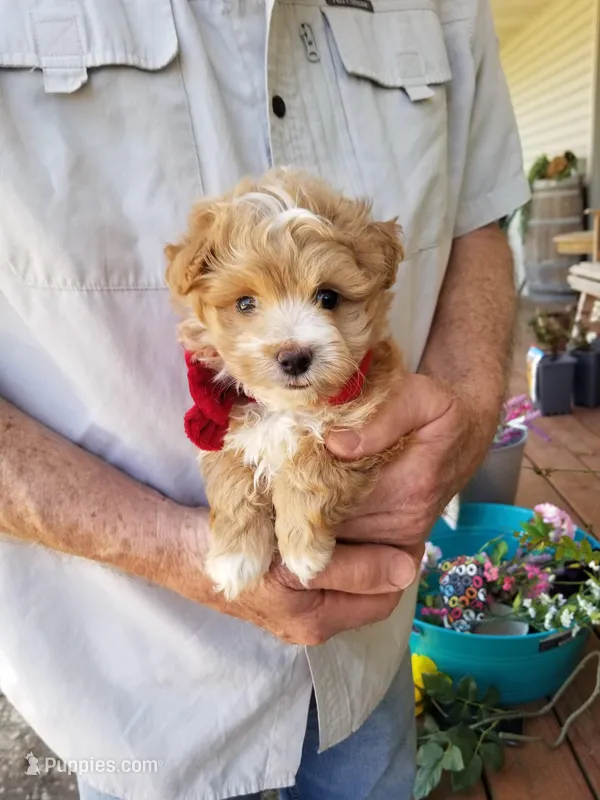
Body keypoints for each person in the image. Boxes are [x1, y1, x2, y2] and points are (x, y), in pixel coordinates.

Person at [0, 1, 529, 798]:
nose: (290, 339)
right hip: (139, 677)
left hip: (369, 658)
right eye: (246, 303)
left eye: (327, 296)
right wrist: (184, 544)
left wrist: (458, 419)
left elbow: (479, 222)